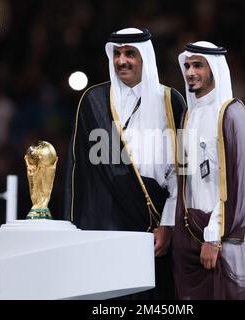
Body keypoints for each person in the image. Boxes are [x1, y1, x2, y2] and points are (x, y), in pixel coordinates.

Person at [64, 28, 186, 299]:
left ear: (145, 58)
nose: (122, 61)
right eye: (117, 54)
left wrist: (168, 225)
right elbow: (78, 174)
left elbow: (181, 174)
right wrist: (72, 231)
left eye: (130, 53)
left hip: (152, 227)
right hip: (104, 224)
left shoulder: (171, 101)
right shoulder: (93, 101)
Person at [172, 41, 245, 299]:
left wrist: (214, 236)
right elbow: (185, 181)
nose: (190, 72)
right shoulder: (188, 116)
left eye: (198, 65)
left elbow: (243, 183)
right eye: (187, 66)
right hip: (190, 237)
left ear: (214, 68)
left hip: (219, 239)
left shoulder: (233, 113)